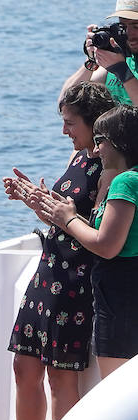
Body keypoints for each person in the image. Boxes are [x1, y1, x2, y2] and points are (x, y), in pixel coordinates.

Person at [0, 83, 116, 420]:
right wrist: (34, 200)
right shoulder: (78, 155)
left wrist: (57, 211)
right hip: (48, 272)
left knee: (61, 377)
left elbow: (98, 230)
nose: (64, 131)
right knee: (23, 367)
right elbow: (63, 215)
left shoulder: (110, 167)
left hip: (76, 280)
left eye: (70, 123)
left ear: (94, 124)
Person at [30, 105, 138, 379]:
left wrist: (67, 219)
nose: (97, 150)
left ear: (119, 142)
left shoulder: (126, 182)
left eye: (100, 141)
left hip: (120, 297)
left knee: (115, 385)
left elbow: (106, 245)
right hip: (123, 293)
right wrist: (58, 214)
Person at [63, 0, 138, 107]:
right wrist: (92, 61)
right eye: (123, 26)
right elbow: (67, 103)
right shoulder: (121, 59)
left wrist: (122, 71)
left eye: (136, 26)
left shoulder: (120, 65)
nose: (129, 34)